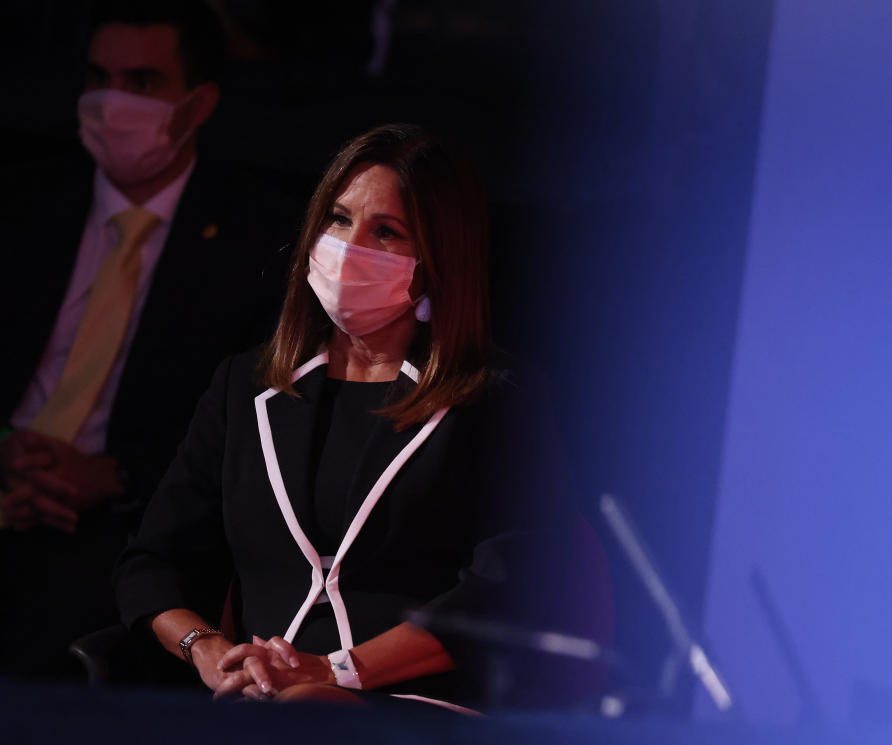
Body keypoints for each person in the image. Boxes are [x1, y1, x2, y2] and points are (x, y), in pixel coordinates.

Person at [114, 123, 607, 709]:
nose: (349, 247)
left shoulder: (495, 399)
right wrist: (212, 653)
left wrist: (332, 671)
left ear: (436, 260)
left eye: (387, 232)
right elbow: (152, 563)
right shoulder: (243, 387)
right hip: (259, 705)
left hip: (418, 702)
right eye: (339, 219)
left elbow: (508, 588)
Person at [0, 0, 298, 677]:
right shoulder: (18, 205)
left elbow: (251, 428)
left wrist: (115, 474)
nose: (113, 102)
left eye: (142, 83)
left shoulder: (258, 240)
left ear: (198, 104)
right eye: (98, 78)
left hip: (126, 523)